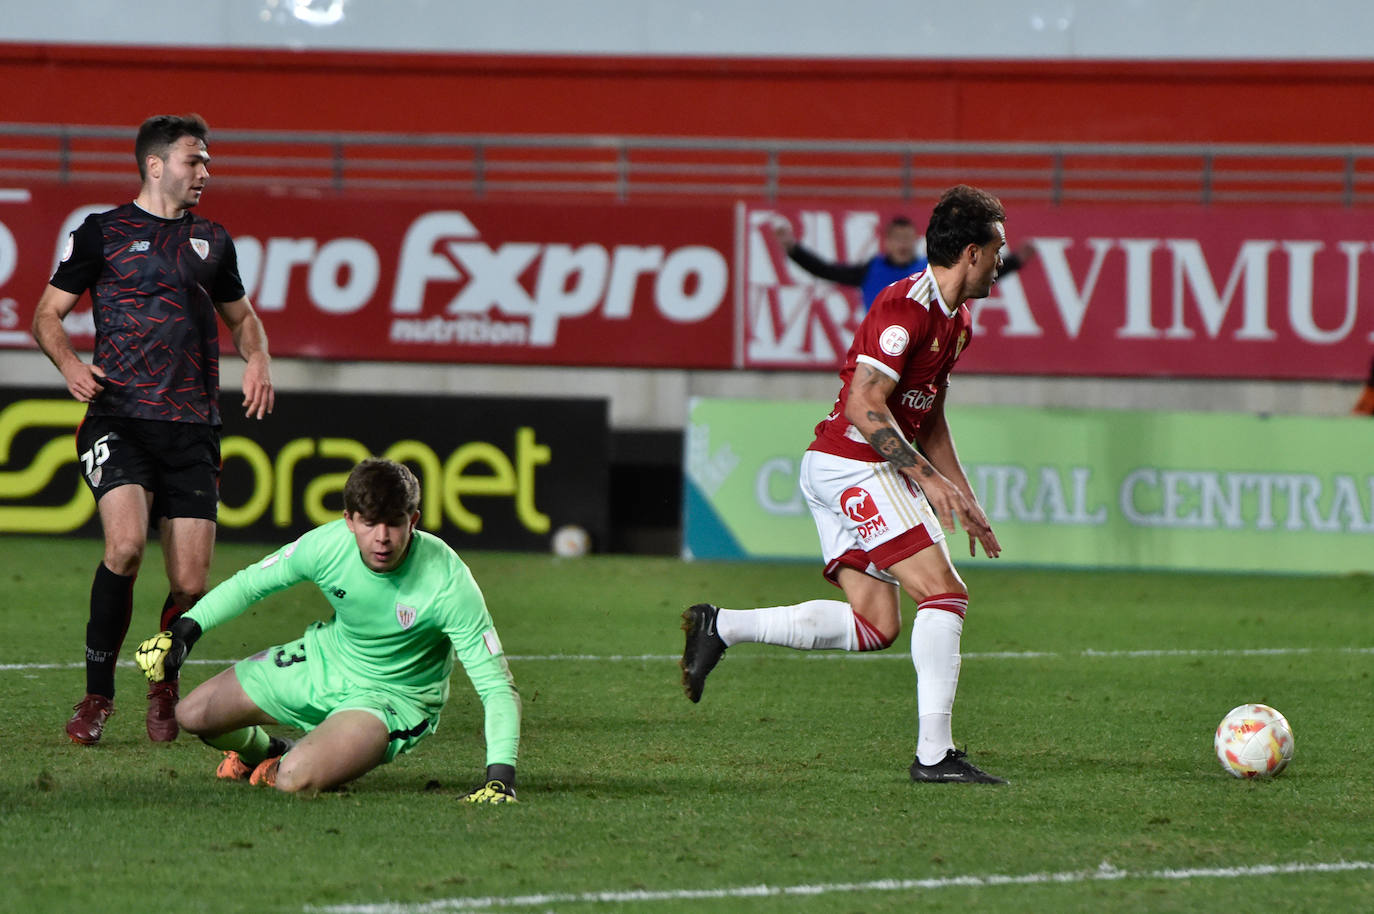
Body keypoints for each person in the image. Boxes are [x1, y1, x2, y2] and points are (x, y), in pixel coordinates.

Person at [684, 185, 1008, 784]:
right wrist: (923, 479)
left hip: (848, 465)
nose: (1003, 258)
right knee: (944, 595)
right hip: (853, 463)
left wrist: (959, 491)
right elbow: (864, 404)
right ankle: (935, 757)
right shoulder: (904, 307)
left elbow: (926, 413)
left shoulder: (957, 320)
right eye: (997, 246)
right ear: (970, 253)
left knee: (874, 626)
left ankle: (720, 625)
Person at [31, 113, 274, 746]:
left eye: (208, 162)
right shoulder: (102, 233)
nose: (205, 171)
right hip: (120, 417)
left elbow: (243, 319)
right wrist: (68, 364)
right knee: (126, 548)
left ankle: (163, 686)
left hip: (193, 427)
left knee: (191, 584)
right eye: (196, 160)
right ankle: (96, 696)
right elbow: (47, 314)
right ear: (156, 165)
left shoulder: (213, 241)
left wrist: (259, 359)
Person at [133, 458, 522, 801]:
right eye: (369, 523)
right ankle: (266, 751)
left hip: (391, 699)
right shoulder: (326, 546)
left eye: (394, 524)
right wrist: (184, 632)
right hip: (324, 660)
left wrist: (501, 778)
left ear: (413, 521)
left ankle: (295, 759)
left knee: (293, 779)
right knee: (193, 713)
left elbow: (495, 684)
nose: (382, 538)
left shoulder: (447, 580)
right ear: (349, 520)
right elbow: (251, 584)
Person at [772, 213, 1033, 312]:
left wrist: (1015, 262)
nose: (902, 244)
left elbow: (973, 278)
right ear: (886, 241)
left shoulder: (930, 269)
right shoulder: (870, 270)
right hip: (879, 349)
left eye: (907, 239)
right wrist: (792, 249)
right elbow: (825, 271)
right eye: (897, 239)